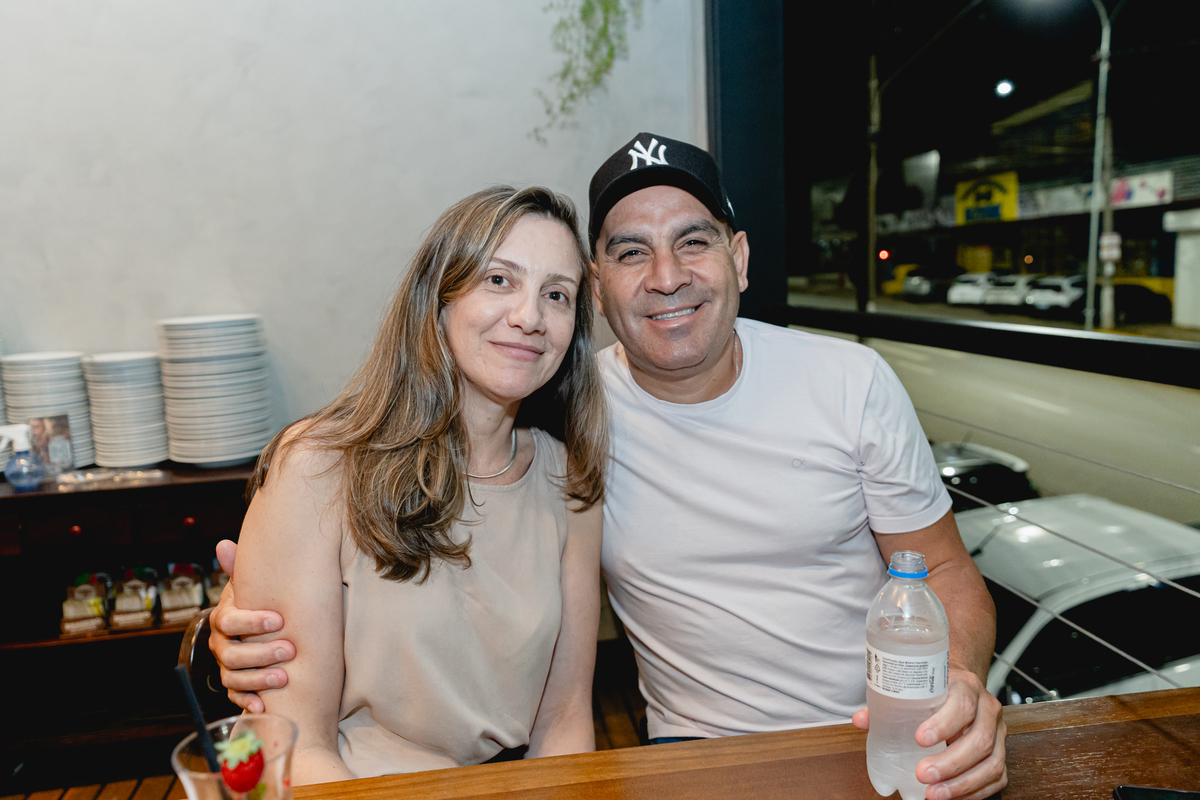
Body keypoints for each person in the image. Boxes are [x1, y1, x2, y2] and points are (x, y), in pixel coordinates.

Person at [211, 134, 1007, 799]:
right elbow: (290, 713)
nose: (666, 276)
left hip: (873, 740)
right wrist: (230, 624)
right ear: (603, 290)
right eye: (632, 252)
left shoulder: (841, 384)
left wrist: (959, 687)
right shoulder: (576, 423)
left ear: (739, 258)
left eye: (693, 241)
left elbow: (943, 569)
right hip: (690, 757)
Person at [217, 185, 608, 785]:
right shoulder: (317, 467)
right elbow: (290, 743)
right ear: (438, 300)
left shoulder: (569, 482)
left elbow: (564, 722)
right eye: (498, 280)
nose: (529, 317)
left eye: (556, 295)